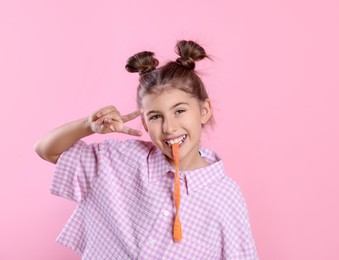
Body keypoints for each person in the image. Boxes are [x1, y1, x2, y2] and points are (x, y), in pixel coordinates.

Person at [35, 40, 258, 259]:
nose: (169, 127)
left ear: (204, 110)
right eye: (155, 116)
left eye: (179, 111)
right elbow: (47, 150)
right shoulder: (120, 159)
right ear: (144, 122)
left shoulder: (225, 197)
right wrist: (88, 125)